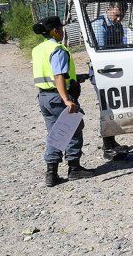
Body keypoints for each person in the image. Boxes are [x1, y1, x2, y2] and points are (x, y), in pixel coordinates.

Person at [32, 16, 95, 187]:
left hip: (44, 97)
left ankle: (51, 173)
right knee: (72, 128)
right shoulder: (57, 49)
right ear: (55, 31)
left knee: (55, 134)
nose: (62, 31)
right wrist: (66, 99)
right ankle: (74, 168)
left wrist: (74, 79)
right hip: (58, 97)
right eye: (61, 28)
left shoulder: (38, 49)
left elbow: (49, 73)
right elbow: (58, 75)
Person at [89, 3, 130, 160]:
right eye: (116, 15)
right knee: (107, 109)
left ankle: (112, 142)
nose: (119, 19)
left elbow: (122, 45)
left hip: (114, 70)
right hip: (103, 72)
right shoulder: (100, 25)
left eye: (121, 16)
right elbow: (101, 52)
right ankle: (107, 146)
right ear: (108, 10)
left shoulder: (117, 25)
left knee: (114, 107)